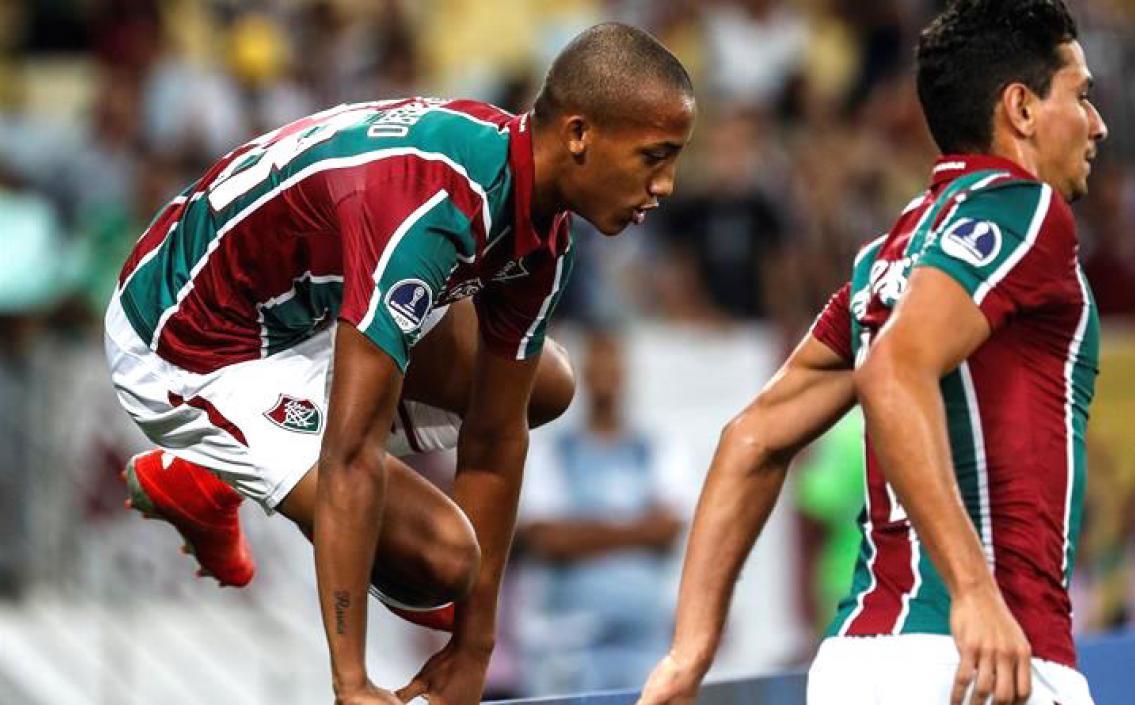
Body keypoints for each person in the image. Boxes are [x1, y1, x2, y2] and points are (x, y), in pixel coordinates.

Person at [104, 22, 695, 705]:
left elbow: (498, 435)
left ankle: (216, 472)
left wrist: (473, 650)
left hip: (312, 303)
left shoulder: (536, 217)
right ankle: (213, 457)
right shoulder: (433, 214)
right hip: (188, 346)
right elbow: (351, 452)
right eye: (655, 155)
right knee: (445, 562)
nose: (668, 184)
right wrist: (352, 684)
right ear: (580, 134)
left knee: (547, 386)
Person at [635, 1, 1105, 704]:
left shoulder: (885, 257)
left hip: (859, 666)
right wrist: (975, 591)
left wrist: (688, 650)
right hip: (985, 658)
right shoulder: (1026, 210)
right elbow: (894, 366)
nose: (1096, 123)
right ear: (1022, 109)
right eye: (1081, 95)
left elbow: (754, 437)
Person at [513, 330, 692, 695]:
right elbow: (547, 539)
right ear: (583, 376)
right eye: (597, 368)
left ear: (626, 373)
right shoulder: (552, 452)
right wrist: (635, 528)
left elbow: (668, 531)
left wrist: (583, 530)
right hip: (569, 639)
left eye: (613, 367)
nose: (606, 378)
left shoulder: (657, 448)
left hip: (644, 635)